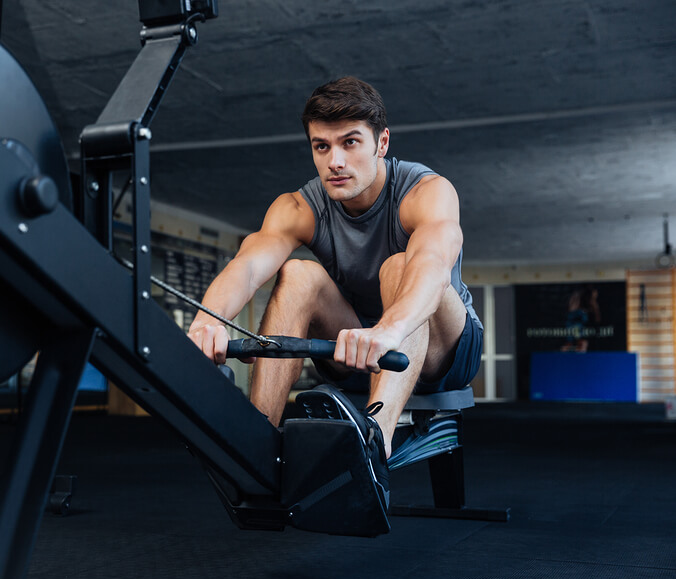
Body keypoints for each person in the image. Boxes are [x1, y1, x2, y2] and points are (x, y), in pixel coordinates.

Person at [188, 76, 482, 469]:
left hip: (442, 353)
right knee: (298, 274)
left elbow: (433, 266)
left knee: (399, 266)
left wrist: (389, 331)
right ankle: (256, 444)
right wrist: (208, 321)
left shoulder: (425, 192)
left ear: (382, 143)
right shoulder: (300, 207)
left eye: (350, 142)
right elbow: (247, 266)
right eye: (322, 146)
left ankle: (374, 443)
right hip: (355, 349)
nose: (335, 162)